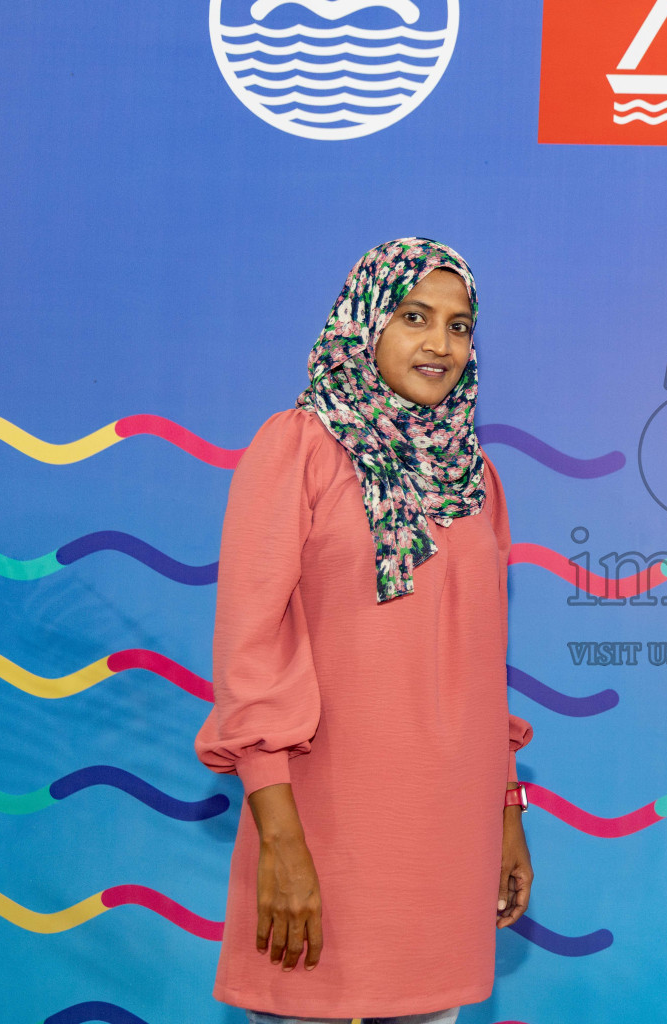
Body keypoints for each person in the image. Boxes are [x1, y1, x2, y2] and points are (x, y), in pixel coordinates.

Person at [196, 238, 534, 1024]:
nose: (440, 344)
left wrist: (507, 810)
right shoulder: (297, 448)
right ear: (365, 324)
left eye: (459, 325)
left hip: (447, 835)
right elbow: (252, 650)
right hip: (321, 827)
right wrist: (279, 842)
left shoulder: (475, 477)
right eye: (415, 317)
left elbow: (484, 669)